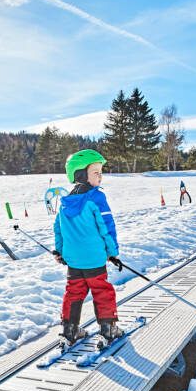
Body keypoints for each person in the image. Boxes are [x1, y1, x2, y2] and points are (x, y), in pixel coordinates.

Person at [53, 149, 123, 349]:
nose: (100, 176)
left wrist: (61, 252)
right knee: (102, 291)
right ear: (81, 174)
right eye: (96, 172)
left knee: (73, 293)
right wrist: (112, 252)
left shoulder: (65, 203)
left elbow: (58, 230)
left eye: (101, 172)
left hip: (74, 261)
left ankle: (70, 330)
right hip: (94, 260)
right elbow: (107, 227)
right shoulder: (96, 199)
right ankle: (108, 329)